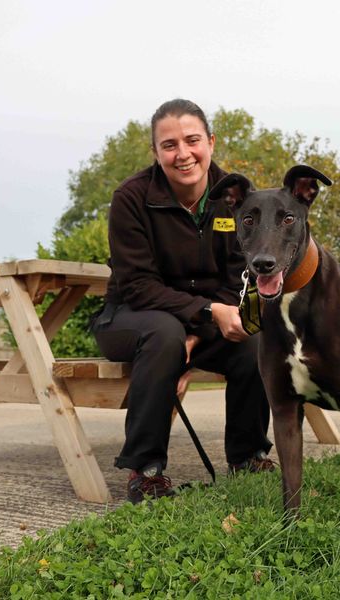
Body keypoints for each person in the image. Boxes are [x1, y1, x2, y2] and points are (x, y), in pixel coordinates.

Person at [91, 98, 273, 503]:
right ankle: (147, 470)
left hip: (200, 325)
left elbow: (239, 278)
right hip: (130, 317)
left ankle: (248, 457)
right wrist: (203, 317)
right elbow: (137, 285)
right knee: (163, 332)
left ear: (210, 141)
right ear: (155, 153)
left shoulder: (239, 199)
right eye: (169, 145)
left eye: (192, 140)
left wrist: (199, 330)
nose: (183, 154)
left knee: (254, 340)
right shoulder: (130, 199)